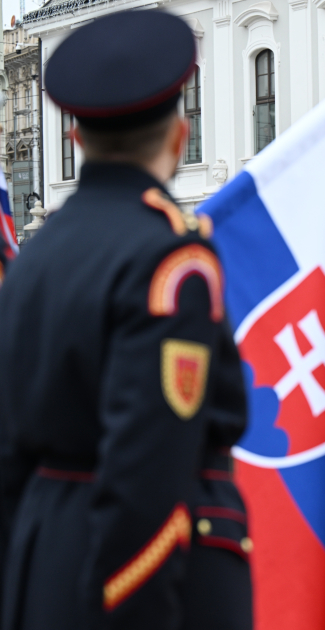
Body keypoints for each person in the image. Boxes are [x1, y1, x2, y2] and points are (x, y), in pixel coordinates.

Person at [0, 11, 251, 629]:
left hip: (44, 561)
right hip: (145, 586)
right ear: (178, 135)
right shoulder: (172, 257)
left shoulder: (36, 254)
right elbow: (148, 468)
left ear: (77, 140)